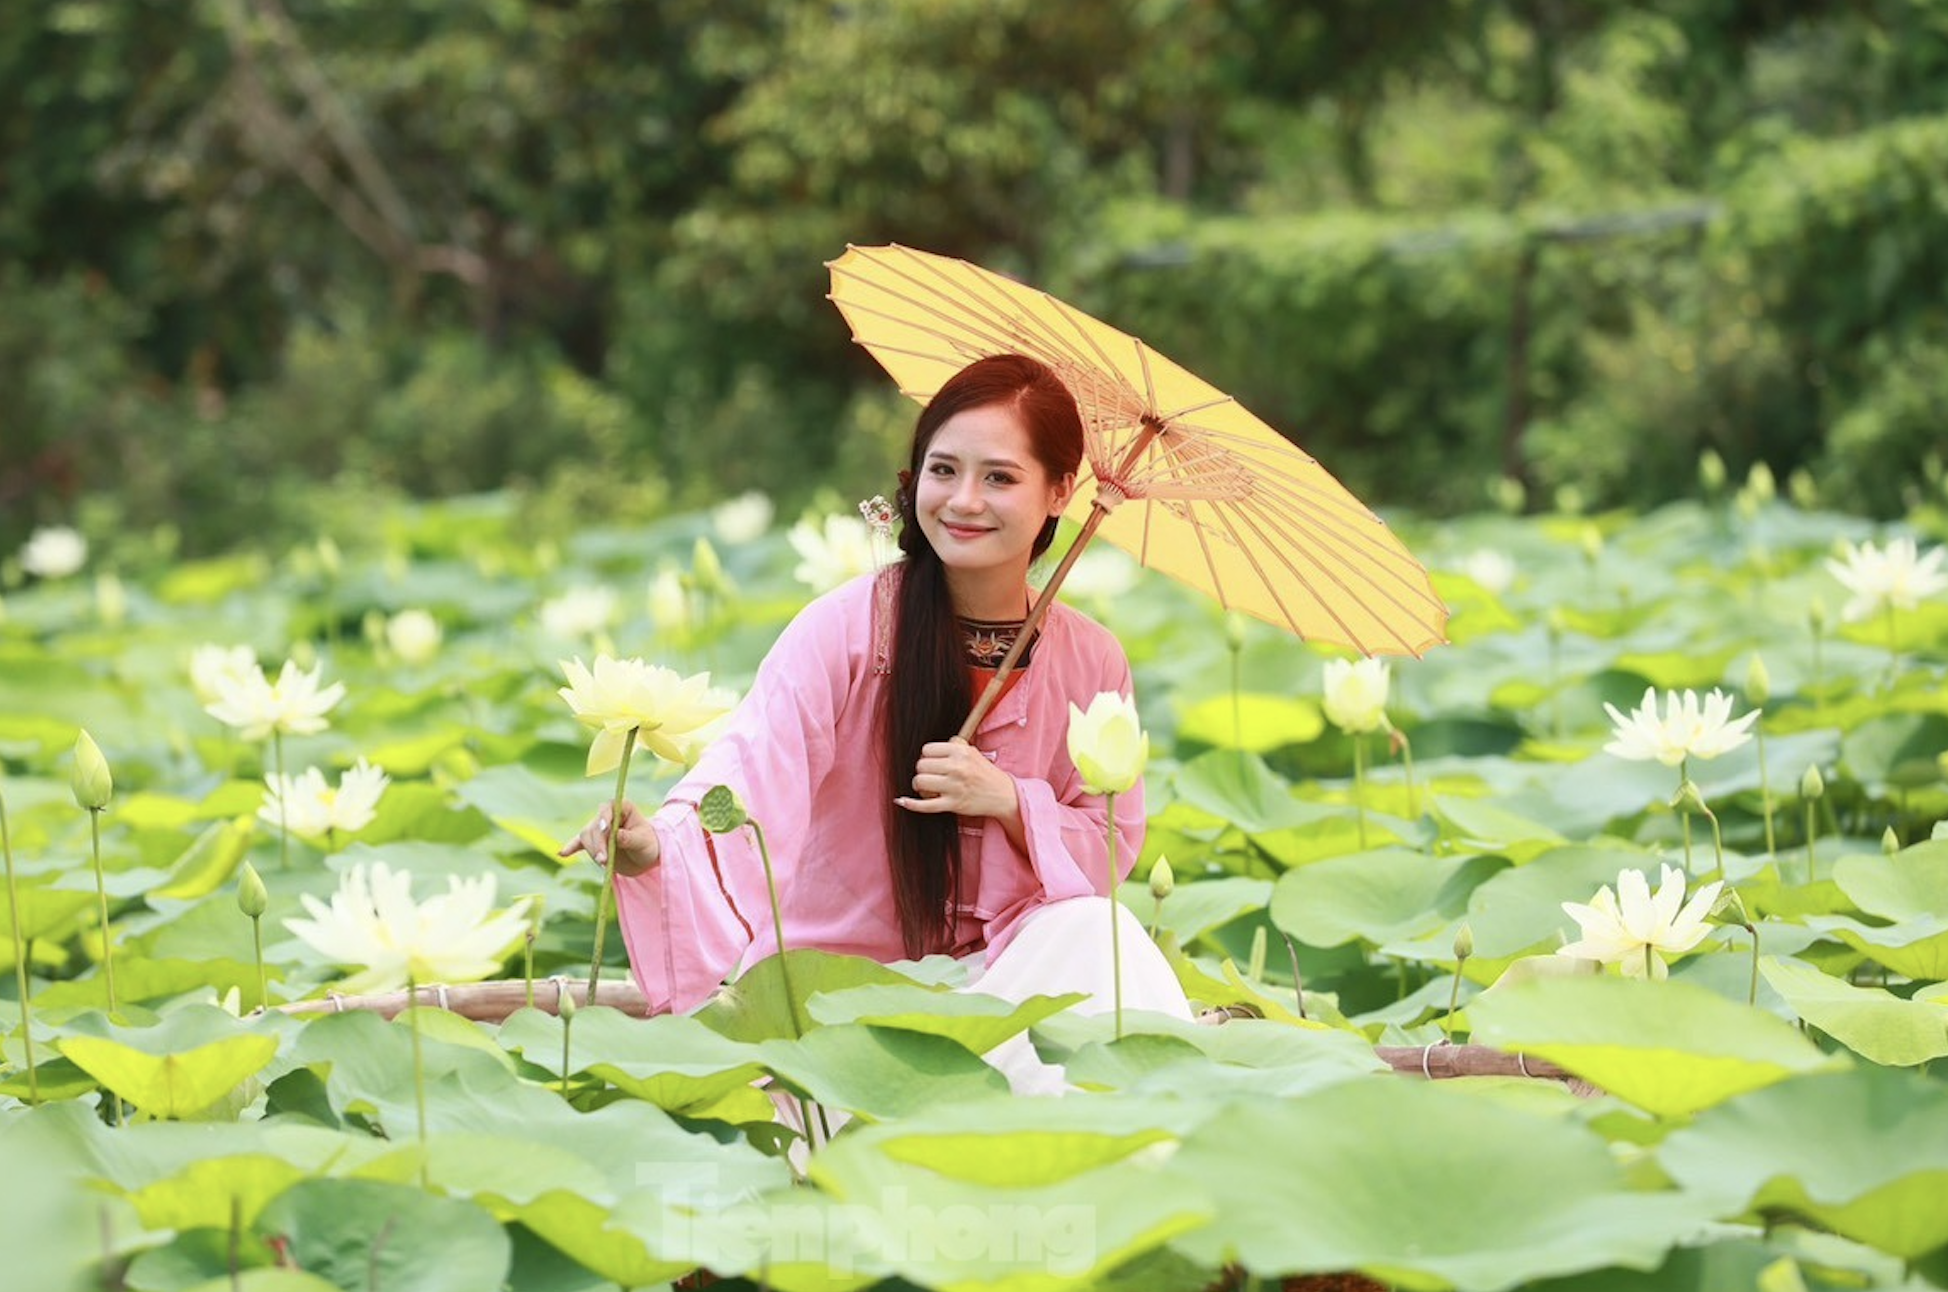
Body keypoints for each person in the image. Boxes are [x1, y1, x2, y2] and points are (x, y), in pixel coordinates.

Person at [559, 353, 1189, 1085]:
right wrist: (654, 850)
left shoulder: (1092, 660)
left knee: (1099, 932)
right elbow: (754, 767)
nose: (964, 501)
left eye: (1000, 478)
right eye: (944, 470)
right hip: (841, 1016)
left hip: (1001, 984)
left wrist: (1012, 802)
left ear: (1059, 491)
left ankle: (1157, 1149)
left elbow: (1110, 842)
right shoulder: (846, 631)